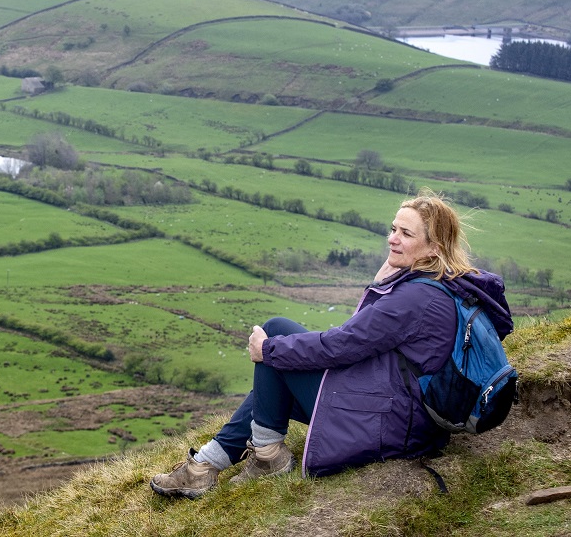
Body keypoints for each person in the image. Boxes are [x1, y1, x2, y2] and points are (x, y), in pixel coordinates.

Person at [150, 189, 513, 498]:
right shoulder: (442, 283)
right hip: (406, 411)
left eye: (405, 233)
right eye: (393, 229)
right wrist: (380, 284)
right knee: (279, 336)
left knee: (275, 345)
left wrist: (269, 352)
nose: (392, 238)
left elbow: (346, 343)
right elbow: (367, 336)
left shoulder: (416, 299)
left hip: (396, 425)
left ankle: (259, 459)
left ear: (432, 248)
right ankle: (213, 463)